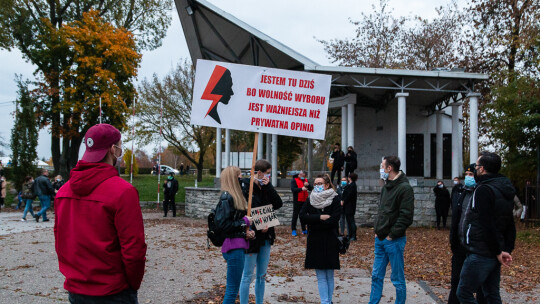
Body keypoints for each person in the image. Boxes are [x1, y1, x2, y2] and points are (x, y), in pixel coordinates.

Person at [54, 123, 147, 303]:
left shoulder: (64, 192)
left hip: (77, 290)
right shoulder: (123, 192)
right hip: (113, 291)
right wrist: (132, 284)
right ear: (113, 149)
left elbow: (61, 241)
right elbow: (134, 249)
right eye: (120, 147)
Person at [456, 151, 516, 304]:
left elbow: (486, 224)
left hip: (481, 251)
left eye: (476, 166)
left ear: (482, 169)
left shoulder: (484, 190)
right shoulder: (504, 188)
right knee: (491, 294)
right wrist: (505, 249)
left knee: (464, 293)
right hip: (495, 250)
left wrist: (497, 251)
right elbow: (509, 222)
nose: (474, 170)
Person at [369, 156, 414, 304]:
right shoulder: (386, 186)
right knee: (376, 275)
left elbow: (406, 216)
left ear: (389, 168)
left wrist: (391, 235)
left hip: (394, 240)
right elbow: (382, 211)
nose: (380, 169)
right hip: (380, 238)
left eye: (382, 166)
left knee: (397, 279)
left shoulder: (405, 188)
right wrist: (378, 230)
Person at [240, 159, 283, 304]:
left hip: (266, 236)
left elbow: (277, 204)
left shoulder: (266, 187)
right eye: (267, 174)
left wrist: (268, 186)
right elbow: (245, 209)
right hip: (251, 236)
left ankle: (259, 301)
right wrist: (259, 224)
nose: (268, 176)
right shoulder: (246, 187)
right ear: (259, 173)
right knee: (247, 275)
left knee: (262, 275)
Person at [214, 166, 255, 304]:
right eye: (239, 175)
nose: (241, 178)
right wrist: (244, 222)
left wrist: (246, 232)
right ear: (233, 178)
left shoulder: (234, 196)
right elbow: (224, 225)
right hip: (233, 247)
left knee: (233, 289)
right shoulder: (227, 197)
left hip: (237, 245)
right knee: (232, 290)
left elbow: (232, 223)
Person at [300, 174, 342, 304]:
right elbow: (302, 216)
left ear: (327, 185)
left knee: (329, 274)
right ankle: (325, 301)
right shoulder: (310, 198)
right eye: (316, 183)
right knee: (320, 275)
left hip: (330, 239)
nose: (317, 186)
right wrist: (319, 218)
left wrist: (314, 223)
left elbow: (335, 219)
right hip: (315, 240)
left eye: (320, 183)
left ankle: (328, 301)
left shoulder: (335, 198)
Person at [448, 164, 486, 304]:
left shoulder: (482, 192)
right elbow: (456, 218)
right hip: (460, 244)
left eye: (471, 175)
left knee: (479, 285)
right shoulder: (460, 192)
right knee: (456, 281)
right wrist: (453, 240)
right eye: (466, 175)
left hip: (476, 246)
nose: (468, 177)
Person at [290, 170, 311, 236]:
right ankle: (293, 230)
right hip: (297, 200)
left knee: (303, 215)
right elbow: (293, 190)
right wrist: (301, 189)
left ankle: (304, 229)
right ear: (299, 174)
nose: (303, 176)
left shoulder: (306, 180)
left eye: (304, 175)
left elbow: (311, 188)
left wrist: (308, 185)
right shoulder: (294, 180)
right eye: (302, 175)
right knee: (295, 215)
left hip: (305, 201)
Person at [342, 173, 358, 240]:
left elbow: (349, 195)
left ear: (350, 178)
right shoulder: (351, 185)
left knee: (351, 221)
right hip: (348, 206)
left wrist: (343, 201)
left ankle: (353, 236)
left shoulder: (352, 185)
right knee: (349, 221)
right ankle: (350, 235)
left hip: (350, 206)